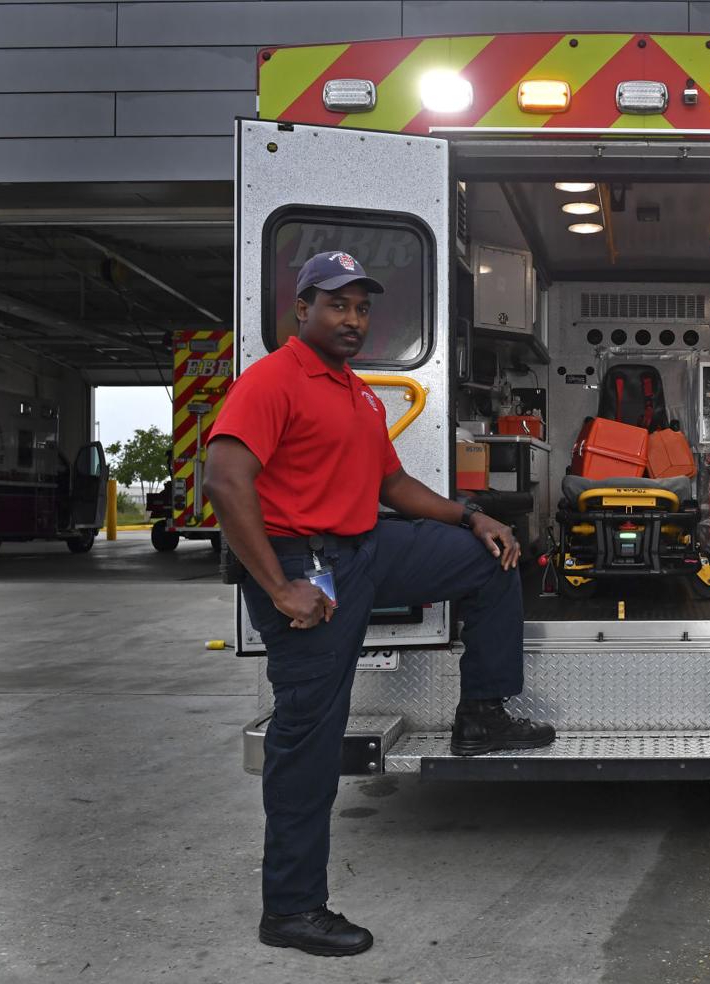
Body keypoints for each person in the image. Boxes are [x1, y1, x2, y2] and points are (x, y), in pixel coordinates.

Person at [204, 251, 555, 957]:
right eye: (337, 305)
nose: (352, 320)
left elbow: (392, 485)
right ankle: (292, 908)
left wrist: (471, 517)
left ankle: (482, 715)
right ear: (302, 309)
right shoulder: (271, 380)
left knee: (492, 561)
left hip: (364, 547)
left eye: (362, 308)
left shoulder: (357, 393)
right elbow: (225, 480)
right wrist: (279, 587)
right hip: (305, 565)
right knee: (309, 735)